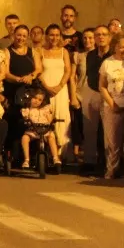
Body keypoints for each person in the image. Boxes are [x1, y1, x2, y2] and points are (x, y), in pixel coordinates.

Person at [98, 33, 124, 179]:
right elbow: (102, 86)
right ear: (115, 47)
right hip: (112, 106)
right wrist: (111, 103)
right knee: (112, 141)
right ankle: (111, 169)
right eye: (121, 46)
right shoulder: (107, 63)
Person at [2, 24, 39, 166]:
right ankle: (13, 156)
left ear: (27, 37)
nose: (21, 38)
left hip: (29, 93)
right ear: (13, 35)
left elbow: (39, 68)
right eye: (19, 35)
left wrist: (31, 76)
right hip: (13, 93)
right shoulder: (7, 51)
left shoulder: (32, 51)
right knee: (14, 124)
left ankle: (30, 157)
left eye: (24, 36)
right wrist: (17, 79)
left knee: (30, 124)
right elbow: (5, 73)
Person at [37, 24, 73, 164]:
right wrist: (46, 87)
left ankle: (62, 153)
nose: (54, 38)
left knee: (62, 118)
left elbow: (68, 70)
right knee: (46, 119)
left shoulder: (64, 52)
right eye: (51, 35)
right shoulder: (40, 51)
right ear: (47, 36)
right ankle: (47, 153)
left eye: (57, 35)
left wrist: (59, 86)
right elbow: (38, 71)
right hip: (45, 91)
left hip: (61, 90)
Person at [76, 26, 108, 174]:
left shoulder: (113, 54)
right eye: (98, 35)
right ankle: (89, 161)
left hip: (109, 94)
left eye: (104, 34)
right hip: (92, 91)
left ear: (108, 37)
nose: (101, 37)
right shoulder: (90, 55)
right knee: (89, 128)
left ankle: (107, 161)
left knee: (107, 131)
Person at [19, 86, 59, 171]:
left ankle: (56, 158)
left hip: (45, 130)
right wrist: (26, 119)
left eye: (39, 100)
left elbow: (50, 119)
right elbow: (25, 118)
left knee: (51, 137)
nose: (36, 101)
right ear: (30, 97)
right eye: (35, 98)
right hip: (33, 130)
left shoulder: (45, 109)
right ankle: (26, 159)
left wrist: (50, 118)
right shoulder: (27, 109)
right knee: (25, 138)